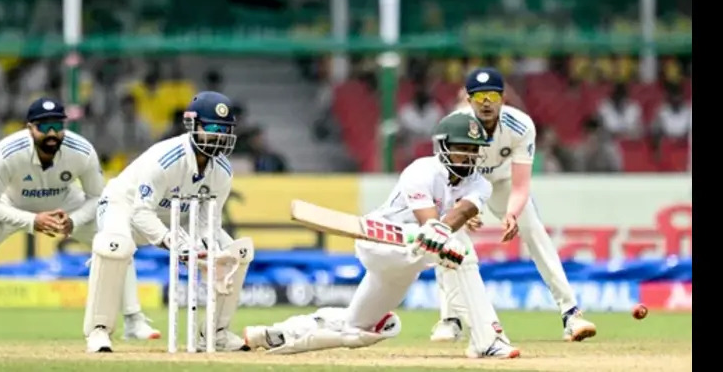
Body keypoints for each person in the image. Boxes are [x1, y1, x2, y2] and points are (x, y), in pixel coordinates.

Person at [243, 112, 519, 359]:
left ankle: (276, 335)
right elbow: (427, 220)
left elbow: (461, 212)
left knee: (364, 328)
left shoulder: (480, 184)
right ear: (443, 146)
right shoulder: (421, 170)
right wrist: (437, 233)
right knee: (460, 248)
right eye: (463, 149)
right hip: (382, 240)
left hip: (408, 262)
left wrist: (440, 232)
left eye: (475, 150)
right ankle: (487, 341)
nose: (470, 156)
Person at [0, 98, 159, 341]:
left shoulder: (81, 151)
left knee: (115, 241)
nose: (52, 133)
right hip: (11, 205)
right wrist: (33, 220)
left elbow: (98, 197)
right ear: (29, 128)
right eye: (44, 127)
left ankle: (134, 321)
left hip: (65, 204)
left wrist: (74, 220)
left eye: (57, 126)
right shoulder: (6, 152)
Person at [432, 68, 597, 343]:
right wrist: (461, 205)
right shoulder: (453, 125)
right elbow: (445, 178)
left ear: (503, 98)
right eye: (480, 96)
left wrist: (511, 213)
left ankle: (571, 314)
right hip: (466, 184)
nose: (486, 102)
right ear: (469, 100)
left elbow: (520, 186)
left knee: (534, 231)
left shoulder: (520, 125)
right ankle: (450, 319)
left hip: (503, 181)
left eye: (492, 95)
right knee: (447, 235)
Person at [84, 91, 254, 353]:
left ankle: (215, 333)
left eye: (225, 129)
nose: (218, 136)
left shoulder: (222, 172)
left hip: (177, 218)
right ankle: (98, 330)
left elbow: (207, 221)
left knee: (238, 252)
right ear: (193, 126)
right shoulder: (165, 160)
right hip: (125, 207)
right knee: (114, 246)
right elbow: (141, 213)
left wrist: (204, 250)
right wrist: (175, 242)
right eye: (211, 128)